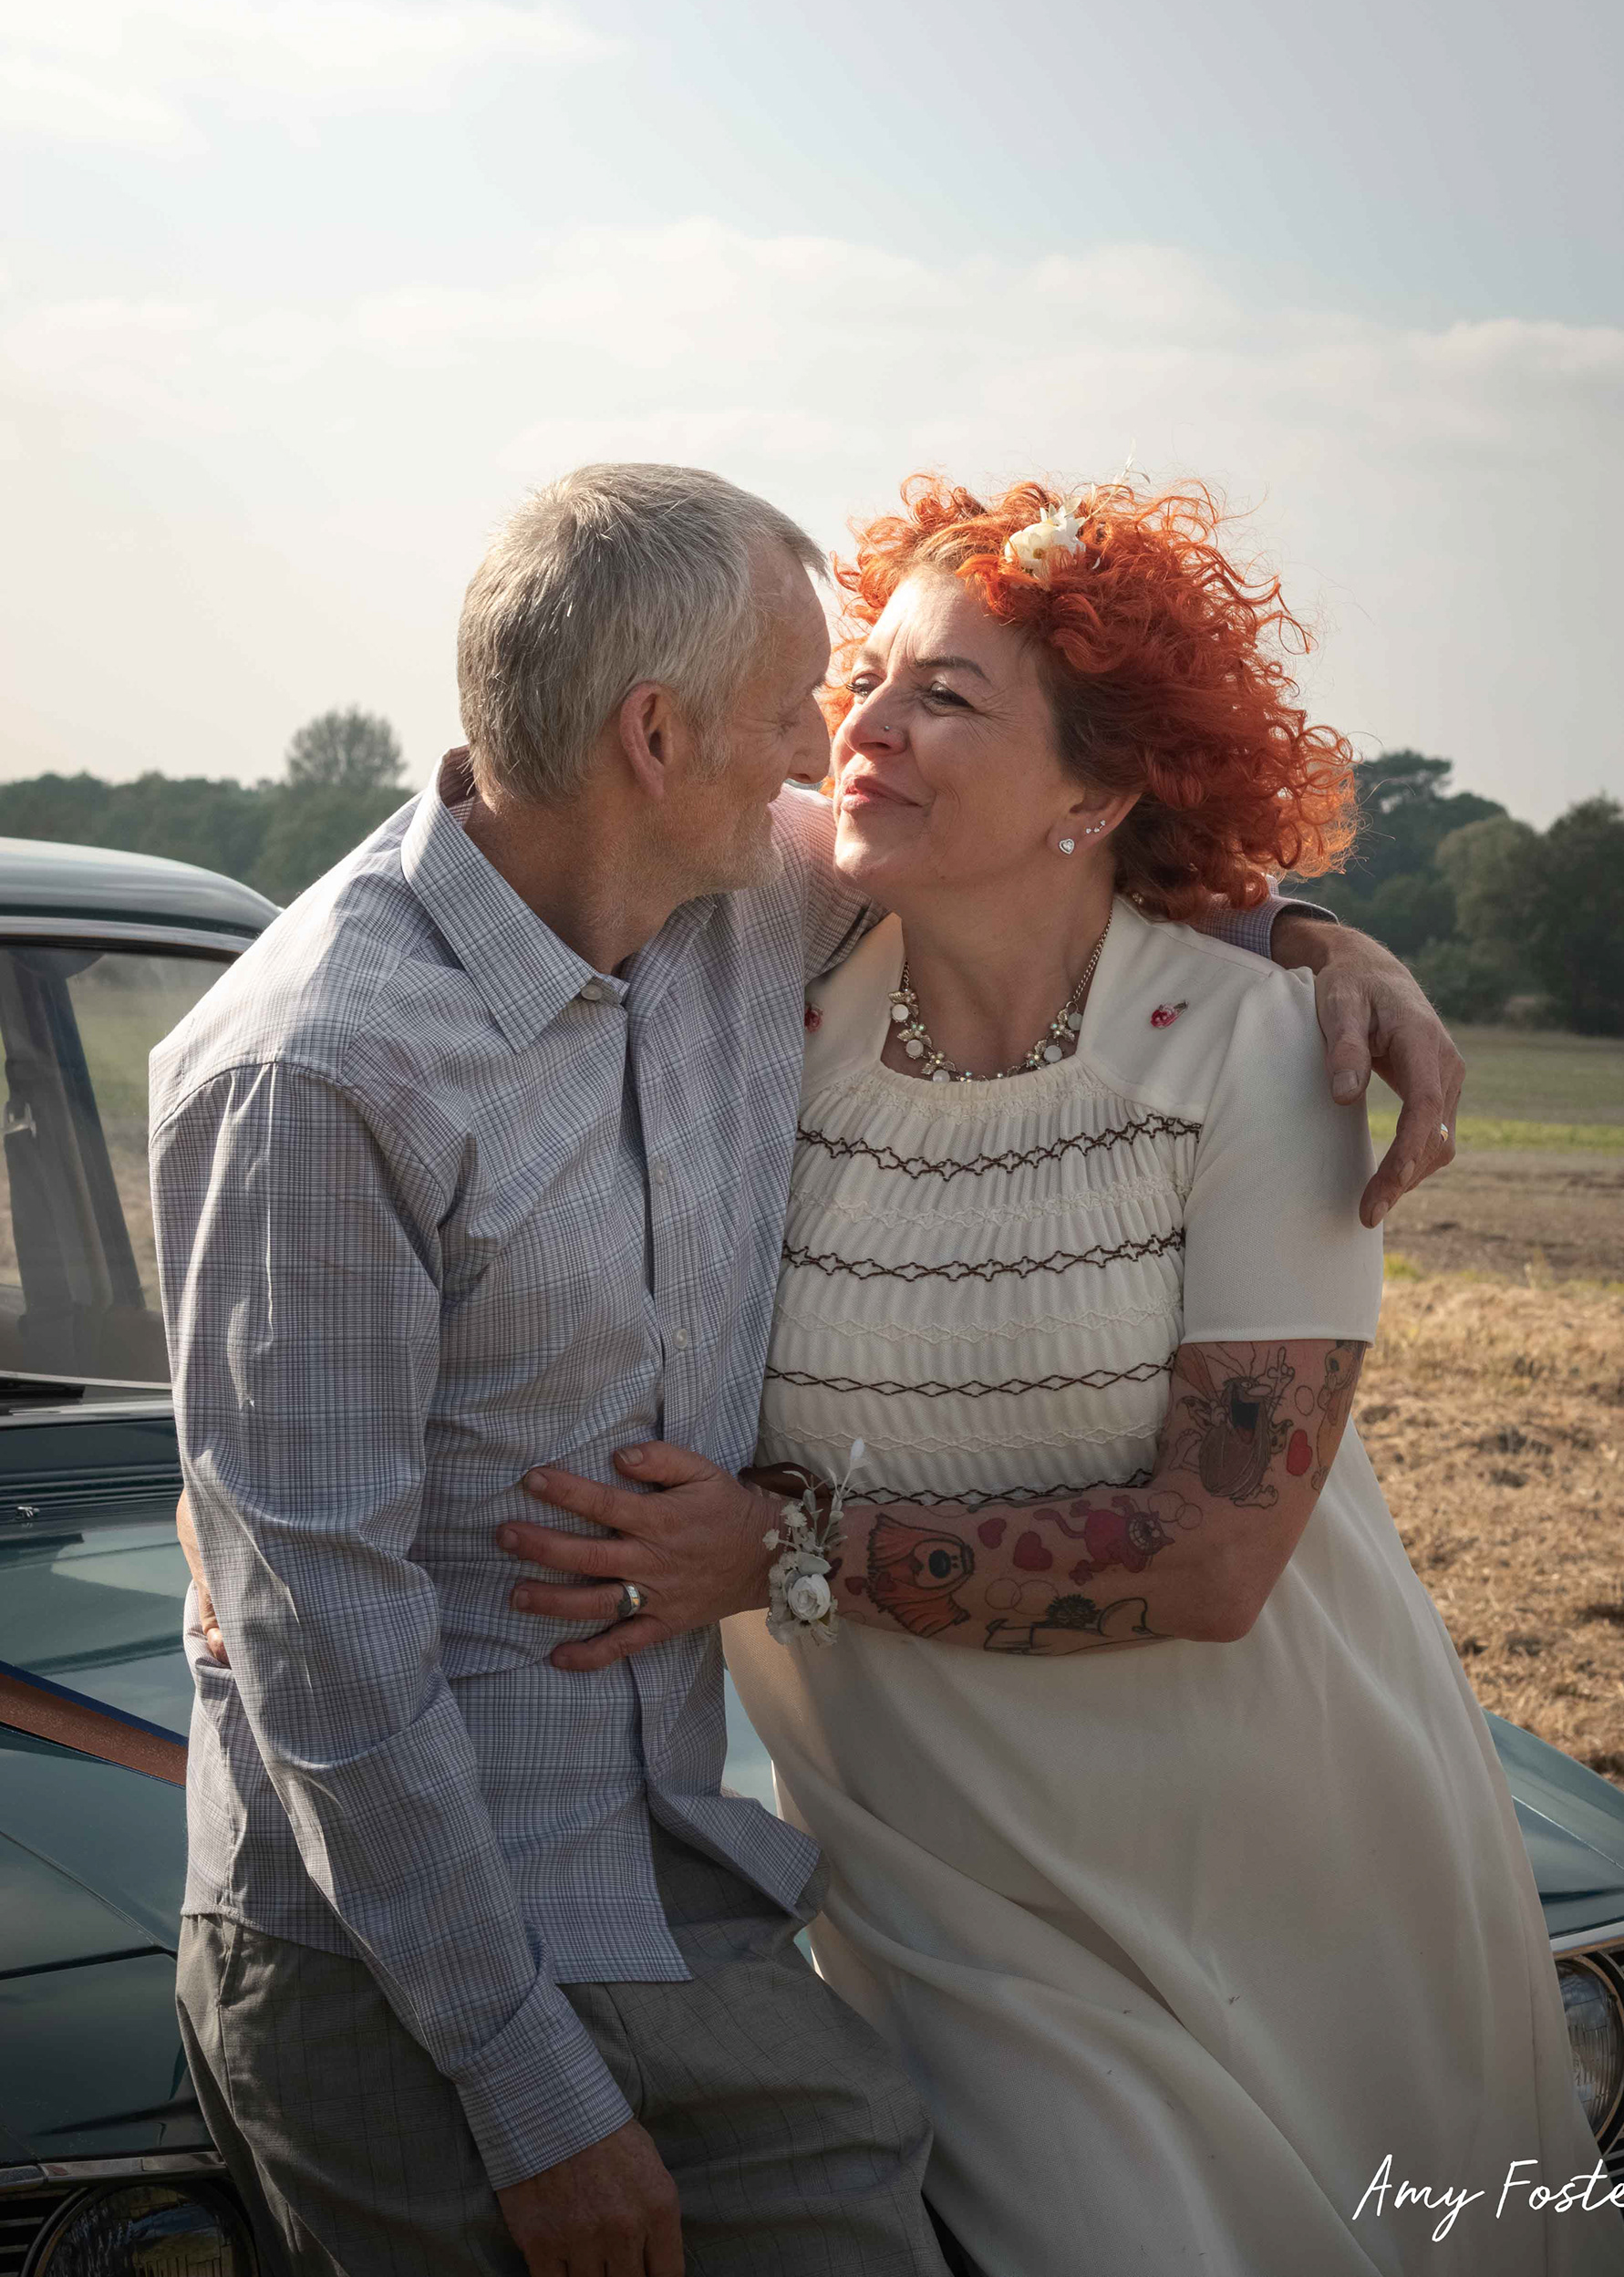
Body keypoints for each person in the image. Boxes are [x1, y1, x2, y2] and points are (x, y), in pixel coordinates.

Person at [161, 464, 1461, 2277]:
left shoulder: (741, 910)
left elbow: (1062, 881)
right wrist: (535, 2095)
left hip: (702, 1888)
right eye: (810, 701)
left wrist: (1317, 934)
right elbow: (314, 1614)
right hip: (399, 1952)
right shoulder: (319, 1063)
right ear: (657, 736)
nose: (833, 742)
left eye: (884, 695)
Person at [497, 477, 1624, 2277]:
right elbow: (534, 859)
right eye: (864, 677)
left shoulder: (1266, 1065)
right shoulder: (758, 996)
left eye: (944, 697)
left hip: (1276, 1853)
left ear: (1098, 792)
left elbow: (1213, 1555)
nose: (860, 728)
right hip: (934, 1882)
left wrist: (772, 1556)